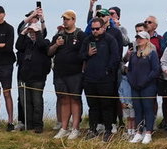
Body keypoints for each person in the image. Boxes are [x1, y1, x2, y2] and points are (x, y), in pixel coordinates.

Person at [82, 14, 124, 139]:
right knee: (93, 106)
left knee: (107, 105)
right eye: (93, 29)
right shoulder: (87, 40)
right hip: (90, 79)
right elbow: (80, 56)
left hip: (105, 79)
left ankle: (108, 130)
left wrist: (107, 71)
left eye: (97, 28)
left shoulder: (110, 39)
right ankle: (93, 129)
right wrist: (87, 54)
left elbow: (115, 57)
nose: (94, 31)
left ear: (103, 28)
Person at [50, 10, 86, 139]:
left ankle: (75, 128)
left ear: (73, 20)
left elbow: (84, 54)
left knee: (75, 99)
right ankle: (64, 128)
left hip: (75, 73)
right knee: (64, 99)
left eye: (67, 19)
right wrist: (56, 44)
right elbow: (49, 52)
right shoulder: (59, 35)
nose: (65, 21)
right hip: (60, 72)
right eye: (63, 19)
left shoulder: (80, 35)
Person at [15, 8, 51, 132]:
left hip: (38, 77)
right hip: (25, 76)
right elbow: (18, 46)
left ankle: (38, 125)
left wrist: (38, 30)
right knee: (26, 102)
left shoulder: (44, 41)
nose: (32, 33)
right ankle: (28, 125)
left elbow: (41, 44)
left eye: (33, 32)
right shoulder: (26, 43)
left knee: (37, 102)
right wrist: (25, 32)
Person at [125, 31, 161, 144]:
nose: (138, 40)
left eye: (141, 38)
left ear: (146, 40)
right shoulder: (134, 55)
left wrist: (145, 81)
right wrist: (132, 81)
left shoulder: (152, 53)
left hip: (148, 86)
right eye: (137, 37)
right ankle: (138, 132)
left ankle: (148, 132)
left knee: (148, 109)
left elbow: (156, 70)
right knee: (137, 109)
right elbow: (129, 70)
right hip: (135, 87)